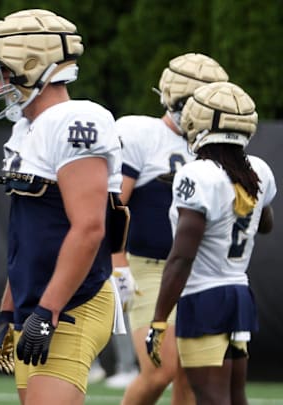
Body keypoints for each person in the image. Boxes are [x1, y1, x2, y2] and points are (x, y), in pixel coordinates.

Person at [0, 9, 127, 404]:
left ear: (31, 66)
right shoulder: (25, 129)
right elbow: (28, 236)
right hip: (38, 302)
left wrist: (48, 310)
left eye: (4, 73)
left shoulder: (75, 120)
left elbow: (89, 228)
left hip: (73, 300)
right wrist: (8, 310)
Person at [147, 81, 275, 404]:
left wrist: (159, 318)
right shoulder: (257, 170)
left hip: (205, 299)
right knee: (235, 398)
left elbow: (182, 256)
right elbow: (266, 224)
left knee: (211, 399)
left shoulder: (199, 174)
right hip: (238, 295)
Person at [117, 53, 228, 404]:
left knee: (191, 374)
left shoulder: (217, 147)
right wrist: (117, 263)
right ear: (169, 97)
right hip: (149, 267)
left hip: (200, 270)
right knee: (160, 369)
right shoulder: (141, 133)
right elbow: (114, 205)